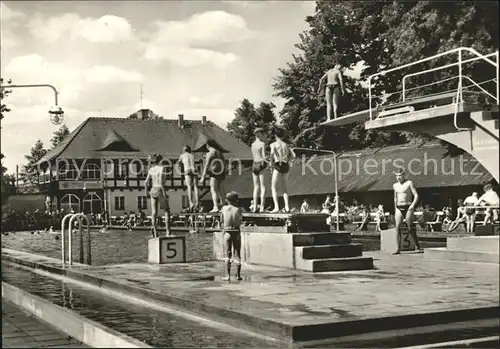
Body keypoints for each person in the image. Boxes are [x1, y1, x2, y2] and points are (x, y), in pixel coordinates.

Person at [393, 169, 422, 254]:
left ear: (404, 175)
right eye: (397, 176)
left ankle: (417, 246)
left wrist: (412, 205)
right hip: (399, 207)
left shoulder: (409, 183)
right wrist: (395, 208)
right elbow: (395, 197)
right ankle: (398, 248)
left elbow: (416, 195)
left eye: (400, 175)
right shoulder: (395, 185)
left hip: (408, 206)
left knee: (410, 227)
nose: (398, 177)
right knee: (397, 227)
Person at [269, 127, 296, 213]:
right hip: (285, 165)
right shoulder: (286, 145)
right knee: (285, 188)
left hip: (278, 164)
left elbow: (272, 153)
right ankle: (287, 207)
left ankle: (276, 207)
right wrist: (287, 159)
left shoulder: (273, 144)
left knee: (274, 187)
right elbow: (293, 155)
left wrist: (271, 163)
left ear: (275, 135)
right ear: (283, 136)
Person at [145, 153, 171, 237]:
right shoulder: (161, 168)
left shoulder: (151, 170)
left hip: (153, 189)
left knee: (154, 213)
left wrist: (146, 193)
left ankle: (155, 232)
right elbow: (160, 182)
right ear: (160, 160)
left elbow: (145, 182)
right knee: (166, 211)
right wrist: (164, 193)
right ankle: (168, 232)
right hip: (159, 189)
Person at [220, 191, 243, 281]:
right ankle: (238, 275)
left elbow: (222, 220)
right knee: (237, 254)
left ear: (227, 200)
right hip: (236, 231)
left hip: (227, 231)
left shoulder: (224, 208)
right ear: (236, 200)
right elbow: (240, 220)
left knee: (227, 254)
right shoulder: (239, 209)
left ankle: (227, 275)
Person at [200, 139, 226, 213]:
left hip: (214, 172)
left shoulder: (210, 153)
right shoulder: (220, 152)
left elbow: (206, 165)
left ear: (208, 145)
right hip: (221, 171)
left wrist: (203, 177)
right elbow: (224, 163)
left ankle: (216, 206)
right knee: (221, 190)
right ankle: (223, 206)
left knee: (213, 189)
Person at [177, 145, 199, 212]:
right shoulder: (192, 155)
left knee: (189, 187)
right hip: (194, 170)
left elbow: (178, 163)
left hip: (187, 170)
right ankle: (197, 202)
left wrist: (180, 167)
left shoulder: (182, 155)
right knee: (195, 187)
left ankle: (191, 203)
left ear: (184, 150)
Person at [251, 128, 268, 213]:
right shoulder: (262, 144)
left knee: (256, 187)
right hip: (261, 164)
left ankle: (254, 207)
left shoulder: (253, 144)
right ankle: (261, 207)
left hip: (254, 164)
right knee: (263, 187)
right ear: (260, 134)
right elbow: (264, 157)